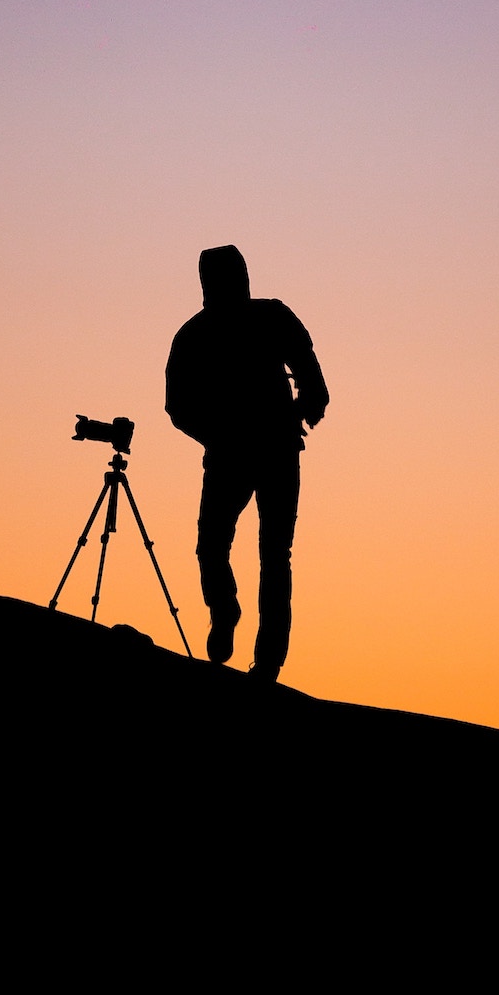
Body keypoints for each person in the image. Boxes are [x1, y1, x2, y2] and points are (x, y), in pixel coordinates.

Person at [166, 245, 329, 682]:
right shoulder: (195, 335)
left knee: (270, 555)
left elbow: (313, 378)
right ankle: (227, 612)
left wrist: (305, 408)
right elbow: (177, 405)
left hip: (267, 454)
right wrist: (220, 435)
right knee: (221, 549)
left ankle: (268, 661)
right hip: (236, 456)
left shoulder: (266, 318)